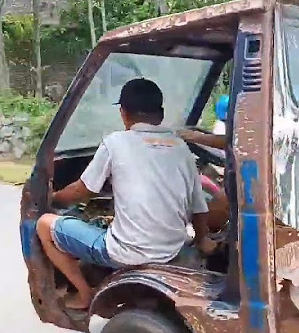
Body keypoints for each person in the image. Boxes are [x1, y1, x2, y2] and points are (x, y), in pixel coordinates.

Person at [36, 78, 216, 310]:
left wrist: (54, 198)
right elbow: (199, 207)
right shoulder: (181, 147)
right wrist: (201, 240)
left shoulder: (115, 143)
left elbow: (83, 191)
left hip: (126, 253)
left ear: (123, 113)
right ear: (160, 114)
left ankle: (84, 294)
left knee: (44, 224)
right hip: (171, 249)